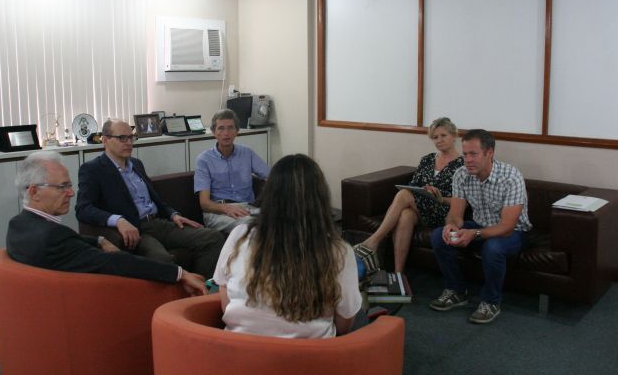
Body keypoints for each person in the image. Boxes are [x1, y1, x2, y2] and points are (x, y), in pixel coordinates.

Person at [7, 152, 207, 295]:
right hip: (91, 306)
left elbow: (68, 242)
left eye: (69, 185)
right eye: (63, 186)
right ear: (34, 191)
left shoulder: (18, 225)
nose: (71, 193)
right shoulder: (53, 236)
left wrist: (99, 240)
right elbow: (114, 262)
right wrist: (180, 273)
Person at [213, 154, 362, 338]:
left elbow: (224, 296)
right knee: (360, 315)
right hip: (312, 353)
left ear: (269, 195)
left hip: (240, 349)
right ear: (320, 199)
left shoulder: (239, 236)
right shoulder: (339, 251)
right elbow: (344, 324)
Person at [76, 119, 224, 278]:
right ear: (105, 140)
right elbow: (83, 209)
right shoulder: (93, 169)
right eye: (122, 138)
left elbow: (156, 199)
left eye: (131, 137)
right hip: (136, 229)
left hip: (158, 222)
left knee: (212, 238)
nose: (129, 143)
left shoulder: (136, 164)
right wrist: (118, 220)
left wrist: (173, 214)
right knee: (163, 260)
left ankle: (203, 287)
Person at [429, 129, 532, 324]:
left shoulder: (511, 177)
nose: (467, 160)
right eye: (465, 154)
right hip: (479, 225)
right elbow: (456, 215)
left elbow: (507, 226)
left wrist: (474, 234)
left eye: (473, 154)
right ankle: (456, 290)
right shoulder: (461, 174)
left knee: (493, 248)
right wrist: (451, 226)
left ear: (489, 153)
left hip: (513, 232)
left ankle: (491, 302)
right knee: (438, 236)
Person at [353, 117, 463, 273]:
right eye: (435, 137)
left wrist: (440, 198)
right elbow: (414, 185)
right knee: (406, 215)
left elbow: (463, 201)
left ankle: (374, 241)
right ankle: (399, 273)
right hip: (421, 207)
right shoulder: (427, 159)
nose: (439, 140)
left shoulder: (462, 165)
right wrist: (422, 190)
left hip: (442, 211)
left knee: (404, 194)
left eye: (443, 135)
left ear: (454, 135)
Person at [194, 109, 270, 234]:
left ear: (237, 131)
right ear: (214, 132)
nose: (226, 133)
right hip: (218, 212)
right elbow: (205, 203)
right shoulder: (204, 160)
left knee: (279, 220)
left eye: (230, 128)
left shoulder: (247, 153)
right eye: (221, 128)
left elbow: (270, 177)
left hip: (247, 208)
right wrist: (226, 208)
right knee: (251, 226)